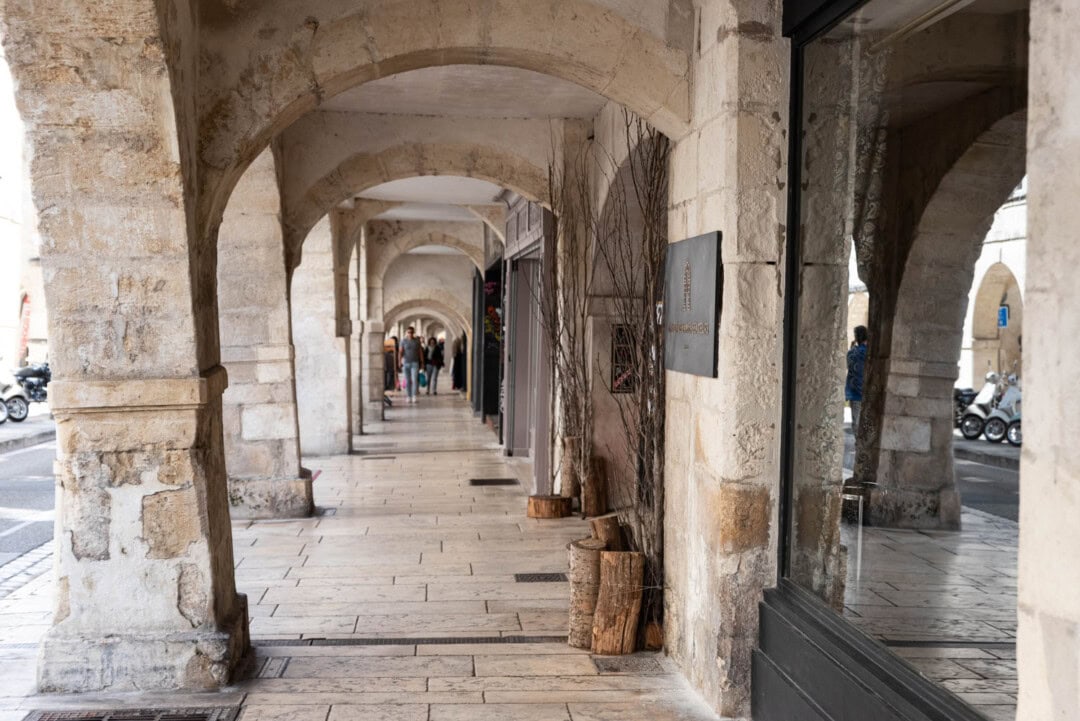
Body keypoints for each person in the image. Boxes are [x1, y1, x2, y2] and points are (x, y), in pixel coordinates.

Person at [846, 325, 868, 434]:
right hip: (868, 393)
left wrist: (851, 348)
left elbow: (849, 365)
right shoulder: (869, 352)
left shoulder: (853, 353)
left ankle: (858, 448)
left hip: (855, 394)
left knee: (856, 423)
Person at [399, 326, 424, 404]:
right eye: (409, 332)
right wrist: (399, 362)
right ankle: (408, 396)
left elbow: (420, 352)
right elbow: (400, 352)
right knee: (407, 380)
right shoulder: (403, 341)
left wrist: (422, 362)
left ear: (414, 333)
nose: (410, 334)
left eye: (411, 332)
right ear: (406, 333)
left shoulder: (417, 341)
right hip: (406, 362)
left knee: (414, 379)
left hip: (415, 363)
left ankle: (414, 396)